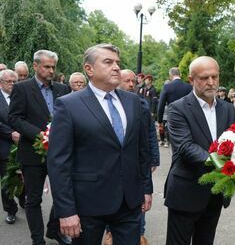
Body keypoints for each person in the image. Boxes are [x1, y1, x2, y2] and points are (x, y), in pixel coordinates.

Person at [47, 44, 153, 245]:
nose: (116, 67)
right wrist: (66, 210)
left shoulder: (133, 102)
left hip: (129, 203)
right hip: (88, 205)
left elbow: (142, 150)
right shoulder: (69, 105)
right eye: (108, 62)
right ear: (89, 69)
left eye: (117, 63)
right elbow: (58, 163)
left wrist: (146, 188)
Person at [164, 56, 235, 245]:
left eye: (215, 76)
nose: (211, 82)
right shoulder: (177, 109)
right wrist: (223, 165)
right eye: (204, 78)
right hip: (185, 192)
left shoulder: (229, 109)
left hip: (215, 194)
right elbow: (186, 148)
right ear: (191, 80)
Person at [8, 50, 71, 245]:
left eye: (53, 67)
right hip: (33, 154)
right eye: (47, 66)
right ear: (35, 66)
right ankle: (38, 240)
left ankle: (54, 229)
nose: (51, 70)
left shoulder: (63, 89)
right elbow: (14, 118)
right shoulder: (22, 89)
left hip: (60, 154)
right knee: (33, 199)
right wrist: (40, 135)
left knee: (64, 195)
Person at [118, 68, 160, 245]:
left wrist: (154, 158)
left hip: (136, 167)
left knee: (137, 214)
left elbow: (150, 134)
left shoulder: (141, 104)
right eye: (126, 81)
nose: (130, 85)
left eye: (133, 82)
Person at [0, 69, 24, 224]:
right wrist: (11, 134)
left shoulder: (22, 95)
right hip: (4, 144)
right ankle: (10, 210)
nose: (13, 84)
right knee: (7, 179)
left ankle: (24, 200)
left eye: (15, 81)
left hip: (24, 143)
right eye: (9, 81)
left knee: (24, 176)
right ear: (1, 83)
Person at [157, 67, 192, 147]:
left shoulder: (167, 87)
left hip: (173, 117)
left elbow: (161, 105)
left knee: (174, 143)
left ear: (170, 76)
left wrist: (160, 121)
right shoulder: (189, 87)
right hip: (187, 118)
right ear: (180, 75)